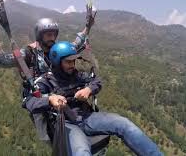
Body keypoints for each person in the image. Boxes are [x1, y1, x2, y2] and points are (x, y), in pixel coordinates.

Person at [24, 41, 163, 156]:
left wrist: (89, 89)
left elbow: (97, 81)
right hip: (66, 123)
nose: (72, 65)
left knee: (124, 124)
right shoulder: (45, 81)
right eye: (68, 62)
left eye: (73, 61)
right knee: (82, 151)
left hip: (86, 117)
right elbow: (28, 101)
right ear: (57, 61)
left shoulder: (77, 75)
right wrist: (49, 100)